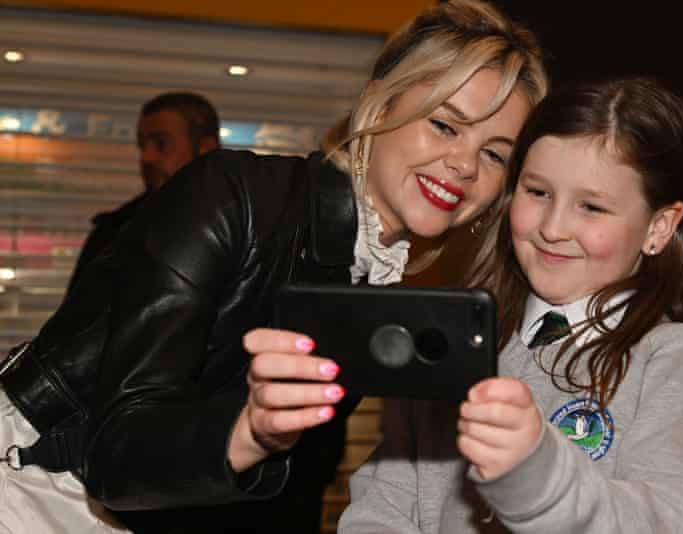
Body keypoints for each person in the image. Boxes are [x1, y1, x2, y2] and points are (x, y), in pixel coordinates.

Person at [0, 1, 547, 533]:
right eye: (446, 126)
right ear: (378, 105)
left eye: (496, 153)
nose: (465, 164)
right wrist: (249, 431)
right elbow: (117, 452)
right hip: (28, 477)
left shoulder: (368, 277)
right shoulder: (231, 194)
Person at [339, 77, 683, 533]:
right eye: (538, 193)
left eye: (592, 207)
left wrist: (536, 475)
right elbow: (385, 506)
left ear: (659, 227)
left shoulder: (676, 361)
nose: (553, 228)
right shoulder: (453, 343)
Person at [67, 92, 220, 291]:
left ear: (205, 148)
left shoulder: (245, 228)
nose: (146, 157)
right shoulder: (114, 233)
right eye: (142, 145)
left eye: (161, 144)